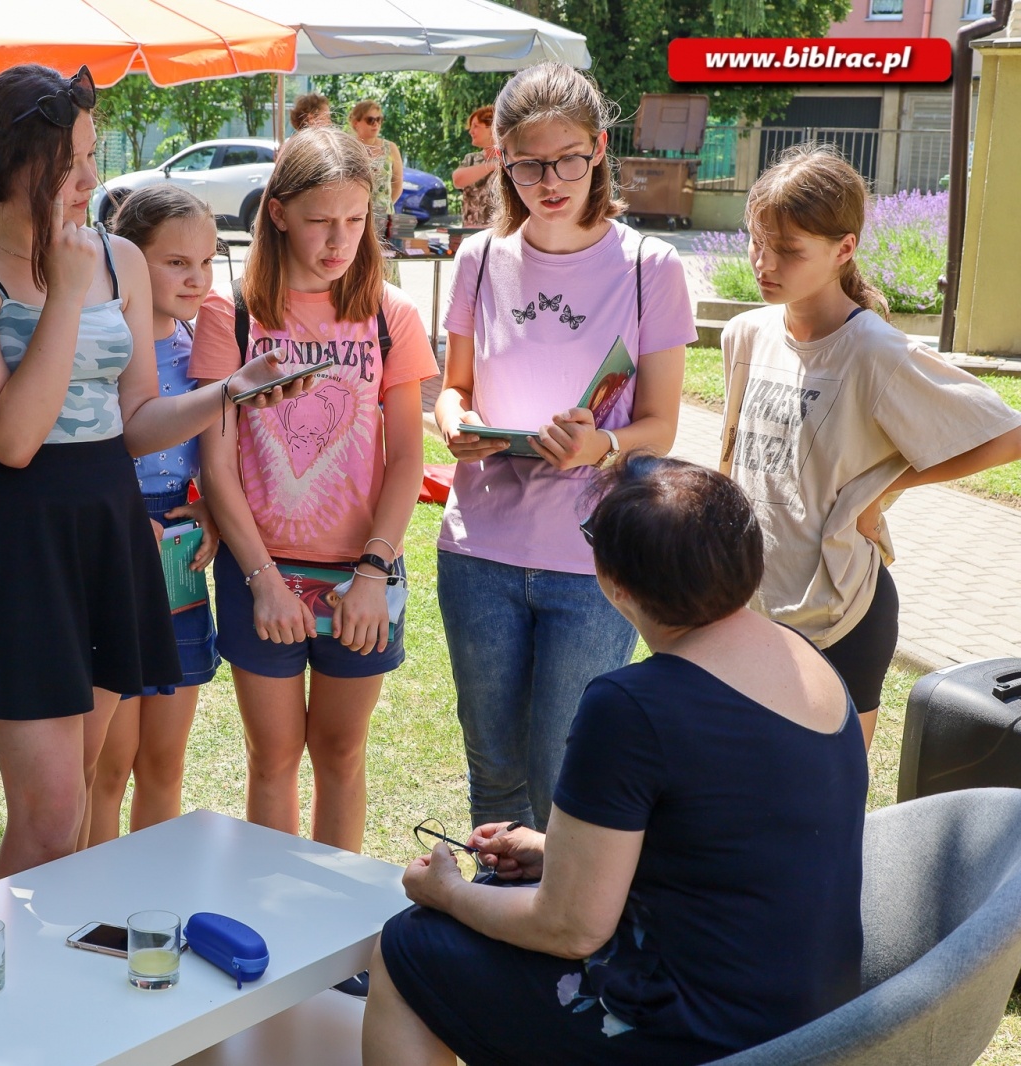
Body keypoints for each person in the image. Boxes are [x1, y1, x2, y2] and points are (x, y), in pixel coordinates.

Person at [0, 63, 306, 879]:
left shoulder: (120, 258)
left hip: (104, 521)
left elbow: (133, 426)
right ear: (10, 166)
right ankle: (7, 983)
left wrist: (227, 393)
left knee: (89, 792)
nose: (91, 181)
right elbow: (14, 439)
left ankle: (65, 976)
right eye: (71, 163)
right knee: (50, 815)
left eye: (92, 156)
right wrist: (62, 287)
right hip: (18, 534)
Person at [365, 455, 870, 1066]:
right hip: (815, 1016)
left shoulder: (632, 704)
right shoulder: (803, 656)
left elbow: (571, 928)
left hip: (701, 1033)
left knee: (409, 947)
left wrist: (446, 891)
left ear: (615, 585)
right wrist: (560, 852)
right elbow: (734, 844)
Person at [433, 62, 696, 832]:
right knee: (494, 776)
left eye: (570, 158)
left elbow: (661, 426)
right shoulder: (478, 260)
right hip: (478, 551)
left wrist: (601, 445)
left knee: (564, 780)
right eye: (528, 163)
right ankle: (497, 934)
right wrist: (452, 423)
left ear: (600, 148)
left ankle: (564, 945)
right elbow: (454, 388)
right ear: (502, 158)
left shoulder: (651, 268)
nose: (551, 180)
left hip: (590, 563)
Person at [722, 143, 1021, 749]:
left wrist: (884, 486)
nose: (764, 261)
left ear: (844, 249)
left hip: (841, 612)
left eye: (787, 249)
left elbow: (1008, 433)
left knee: (829, 804)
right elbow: (732, 461)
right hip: (747, 603)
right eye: (757, 241)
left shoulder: (875, 352)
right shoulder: (745, 334)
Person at [191, 126, 436, 858]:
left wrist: (371, 573)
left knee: (340, 756)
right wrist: (262, 579)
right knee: (272, 760)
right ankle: (281, 936)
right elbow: (217, 463)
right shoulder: (228, 313)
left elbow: (405, 461)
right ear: (277, 212)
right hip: (259, 570)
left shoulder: (393, 316)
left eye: (356, 221)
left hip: (361, 576)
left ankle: (339, 935)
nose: (340, 241)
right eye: (321, 221)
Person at [87, 185, 223, 845]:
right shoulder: (104, 346)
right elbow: (85, 441)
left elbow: (219, 455)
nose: (195, 276)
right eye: (176, 263)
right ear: (128, 260)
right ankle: (92, 903)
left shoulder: (206, 345)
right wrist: (118, 514)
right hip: (113, 536)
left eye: (206, 260)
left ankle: (148, 902)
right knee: (107, 765)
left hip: (181, 548)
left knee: (163, 761)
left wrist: (210, 513)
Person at [347, 100, 404, 237]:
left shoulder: (390, 147)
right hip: (354, 216)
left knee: (385, 256)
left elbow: (398, 184)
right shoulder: (348, 147)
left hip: (384, 217)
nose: (376, 124)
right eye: (370, 120)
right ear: (356, 123)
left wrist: (384, 206)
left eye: (379, 119)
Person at [451, 104, 499, 229]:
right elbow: (457, 180)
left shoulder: (512, 158)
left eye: (476, 126)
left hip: (501, 233)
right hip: (470, 233)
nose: (470, 131)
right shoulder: (471, 159)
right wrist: (493, 165)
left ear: (493, 127)